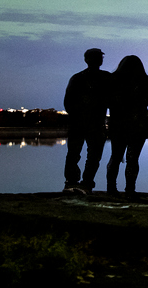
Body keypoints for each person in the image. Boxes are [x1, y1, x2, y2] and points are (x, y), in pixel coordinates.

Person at [106, 55, 148, 195]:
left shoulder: (113, 80)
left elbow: (108, 102)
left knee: (116, 157)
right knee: (133, 158)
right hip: (138, 124)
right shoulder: (144, 81)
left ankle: (111, 188)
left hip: (118, 124)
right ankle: (130, 189)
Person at [63, 48, 112, 194]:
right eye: (97, 57)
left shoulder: (78, 78)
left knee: (80, 155)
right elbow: (68, 103)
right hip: (88, 123)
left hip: (84, 123)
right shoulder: (105, 78)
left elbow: (68, 103)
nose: (99, 60)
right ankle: (81, 182)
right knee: (85, 155)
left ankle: (77, 182)